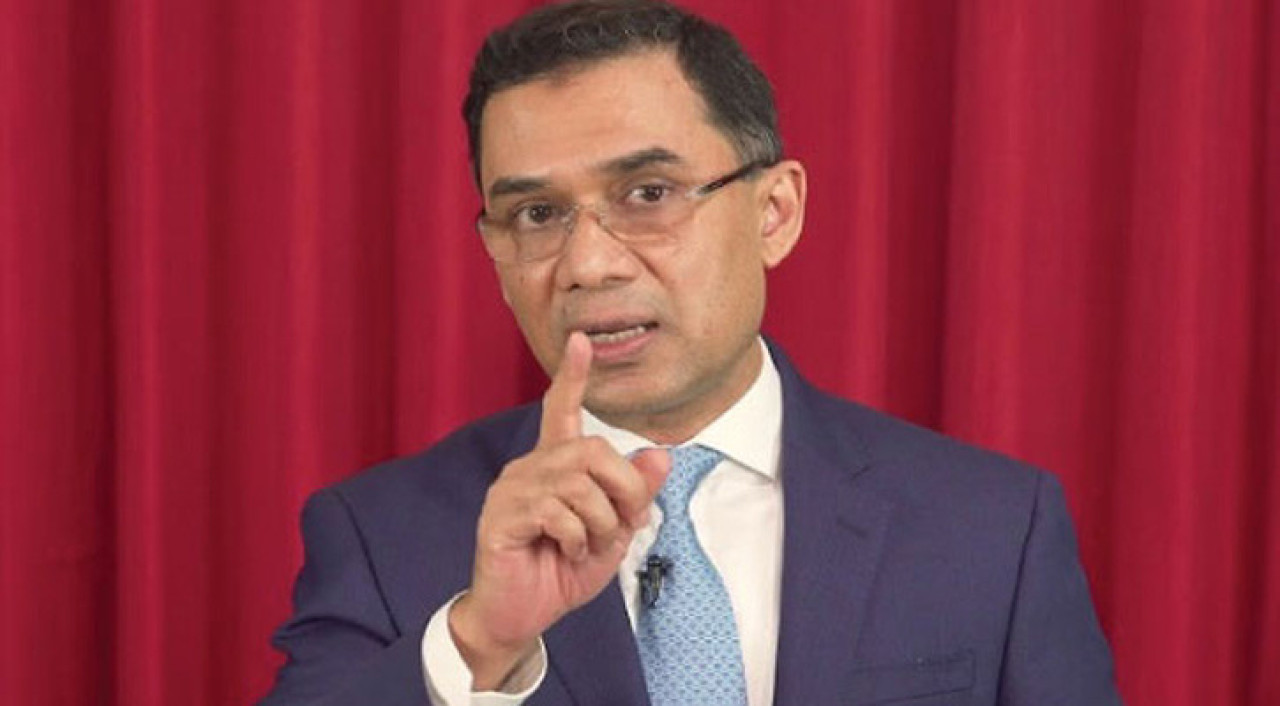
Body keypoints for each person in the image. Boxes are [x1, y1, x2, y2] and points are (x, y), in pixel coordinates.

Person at [261, 1, 1124, 704]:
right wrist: (479, 644)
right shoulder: (380, 534)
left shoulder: (993, 529)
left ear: (774, 213)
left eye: (649, 193)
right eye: (537, 215)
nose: (589, 264)